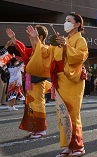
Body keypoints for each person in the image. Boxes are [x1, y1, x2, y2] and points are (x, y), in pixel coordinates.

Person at [26, 12, 88, 157]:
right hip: (60, 80)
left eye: (69, 20)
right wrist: (35, 39)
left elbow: (80, 56)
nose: (66, 22)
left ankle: (78, 146)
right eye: (65, 20)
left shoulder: (80, 40)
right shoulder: (61, 40)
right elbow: (46, 52)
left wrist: (66, 46)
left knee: (72, 112)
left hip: (73, 80)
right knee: (62, 113)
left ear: (78, 24)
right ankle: (68, 145)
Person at [6, 26, 50, 139]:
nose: (30, 38)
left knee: (38, 103)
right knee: (30, 104)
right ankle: (34, 128)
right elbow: (24, 50)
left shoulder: (46, 49)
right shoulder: (34, 51)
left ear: (40, 37)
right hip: (31, 80)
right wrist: (14, 40)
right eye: (30, 36)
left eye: (33, 35)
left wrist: (34, 39)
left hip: (39, 80)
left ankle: (41, 128)